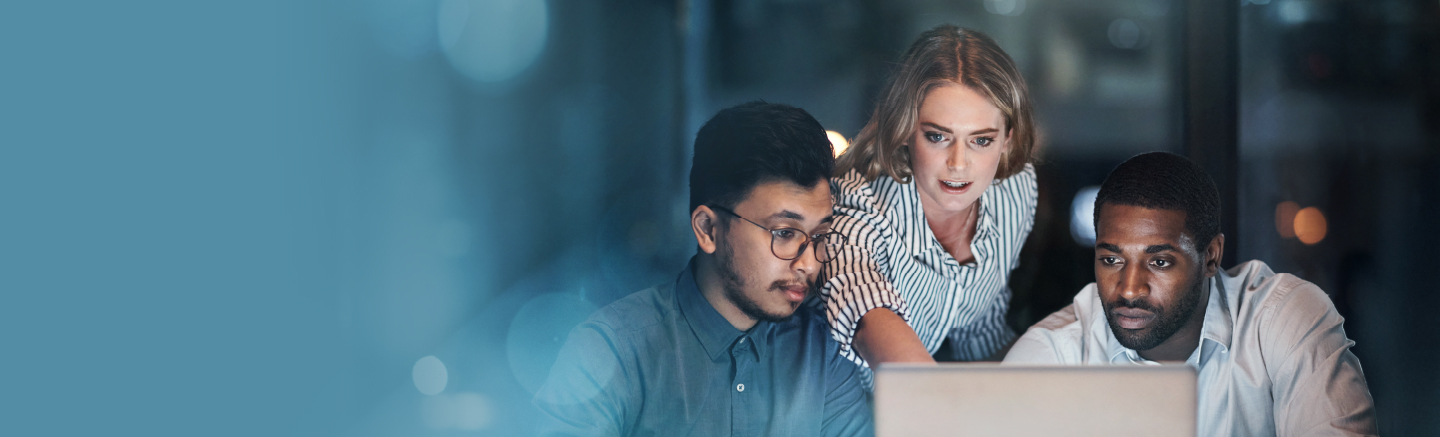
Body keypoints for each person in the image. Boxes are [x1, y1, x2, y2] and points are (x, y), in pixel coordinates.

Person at [533, 102, 873, 437]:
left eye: (821, 236)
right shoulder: (612, 352)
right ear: (708, 229)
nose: (810, 263)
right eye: (784, 233)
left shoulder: (823, 354)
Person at [1004, 152, 1377, 436]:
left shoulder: (1281, 320)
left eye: (1160, 262)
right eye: (1112, 260)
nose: (1130, 288)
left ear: (1211, 256)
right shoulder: (1052, 355)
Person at [822, 25, 1039, 375]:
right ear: (906, 130)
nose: (958, 163)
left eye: (981, 140)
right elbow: (863, 310)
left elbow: (979, 334)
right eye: (938, 136)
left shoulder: (1013, 190)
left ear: (1008, 139)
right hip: (834, 413)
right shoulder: (859, 203)